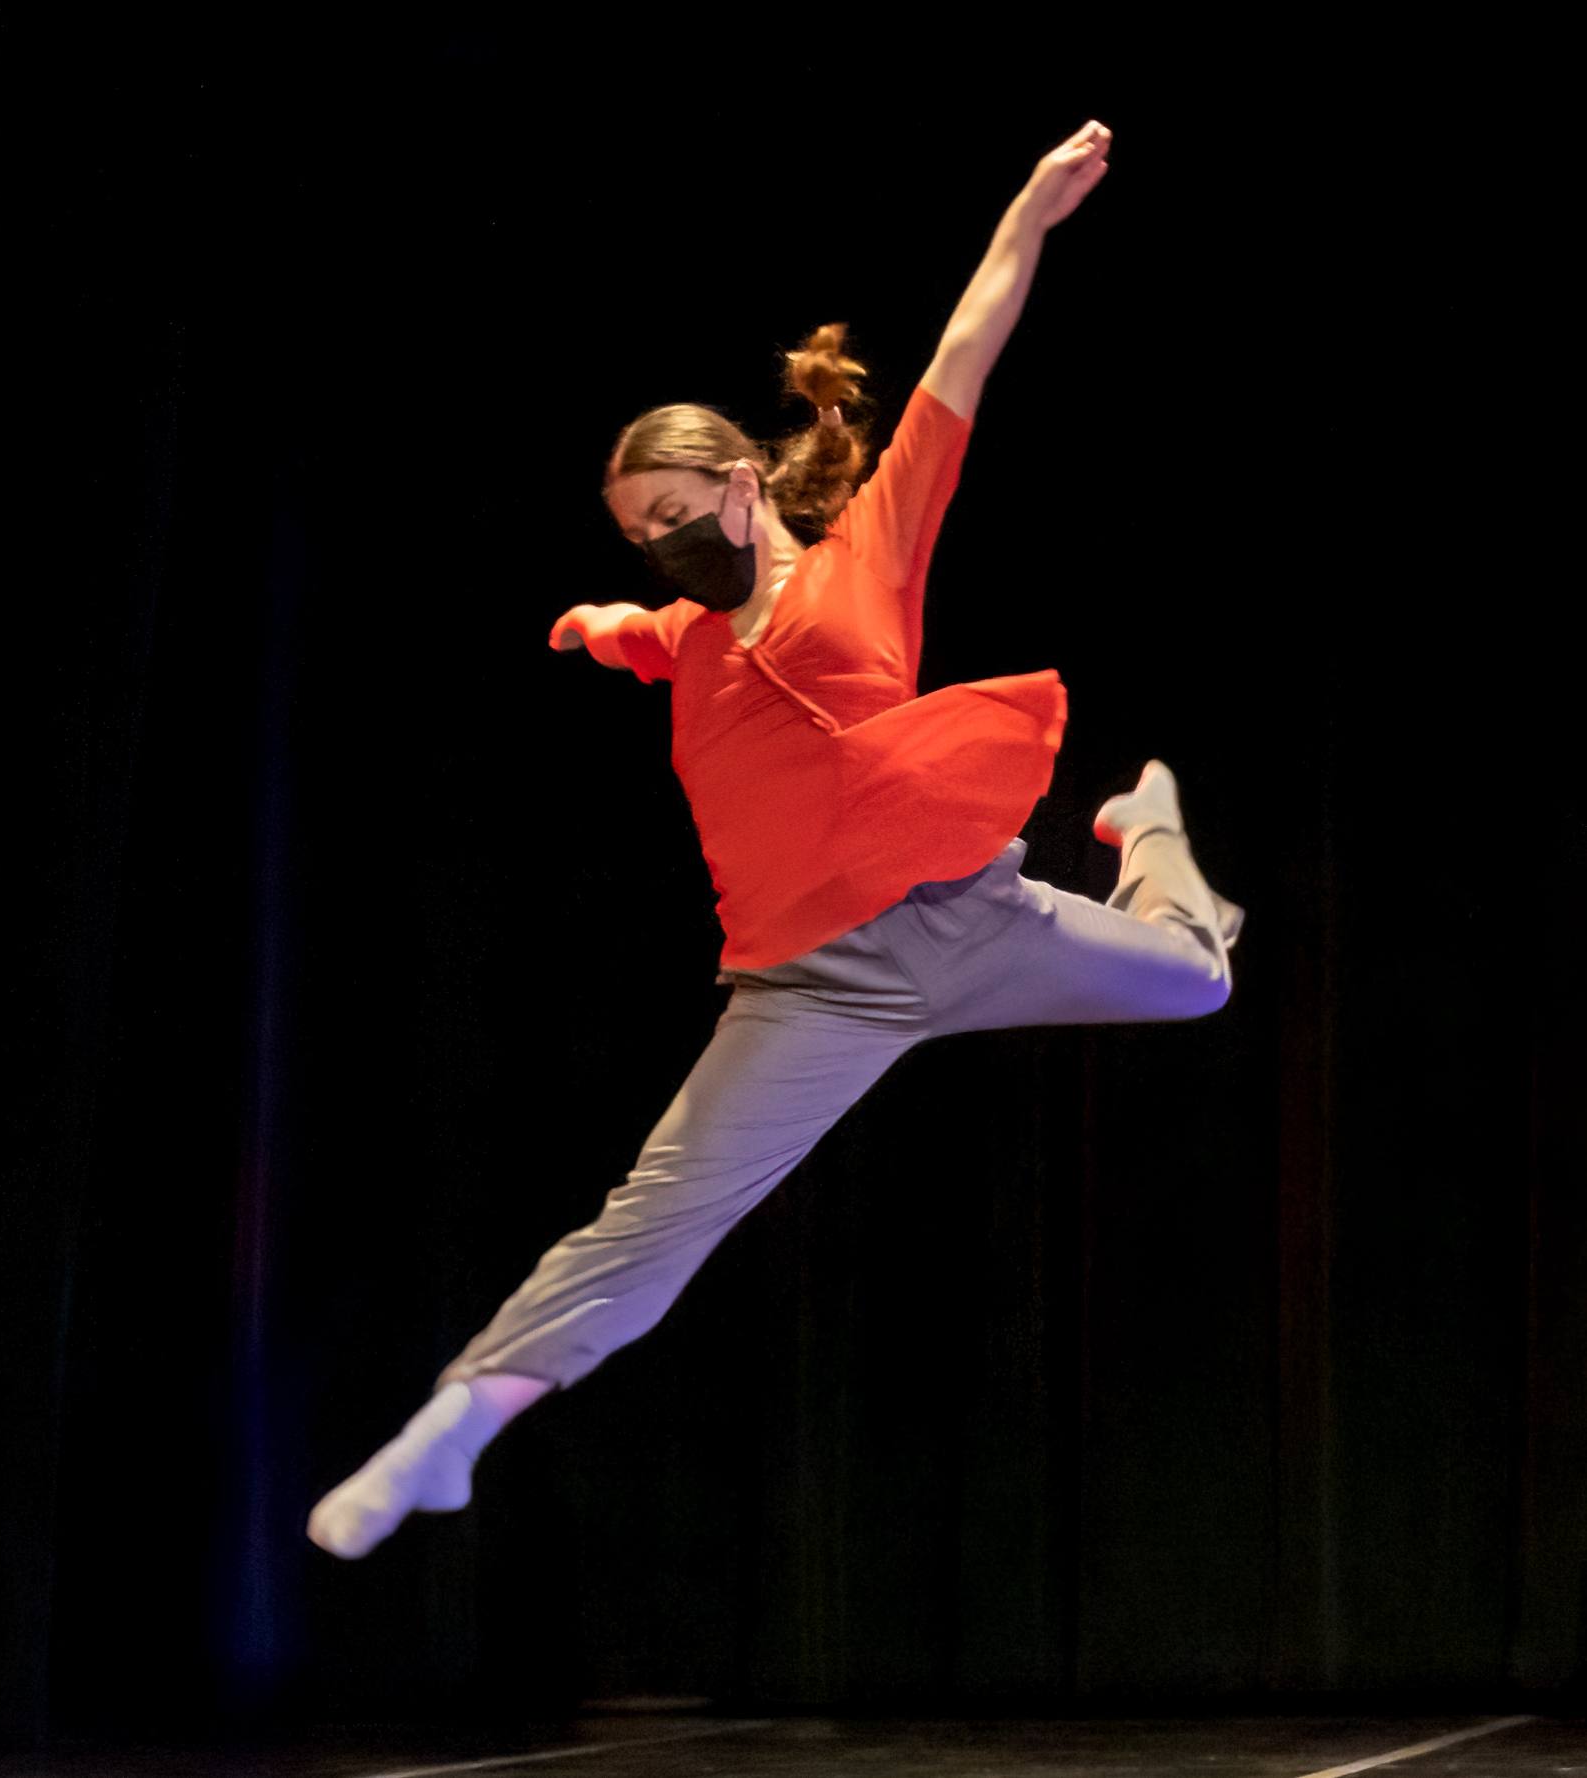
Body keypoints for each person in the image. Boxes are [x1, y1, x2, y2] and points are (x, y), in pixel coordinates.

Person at [307, 119, 1240, 1560]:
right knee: (654, 1218)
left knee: (1199, 980)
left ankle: (1152, 833)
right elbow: (641, 630)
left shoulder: (870, 553)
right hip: (814, 986)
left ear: (742, 486)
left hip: (971, 919)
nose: (659, 546)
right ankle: (453, 1431)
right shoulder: (683, 633)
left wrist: (1029, 214)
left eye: (674, 515)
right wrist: (603, 622)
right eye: (638, 533)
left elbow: (962, 356)